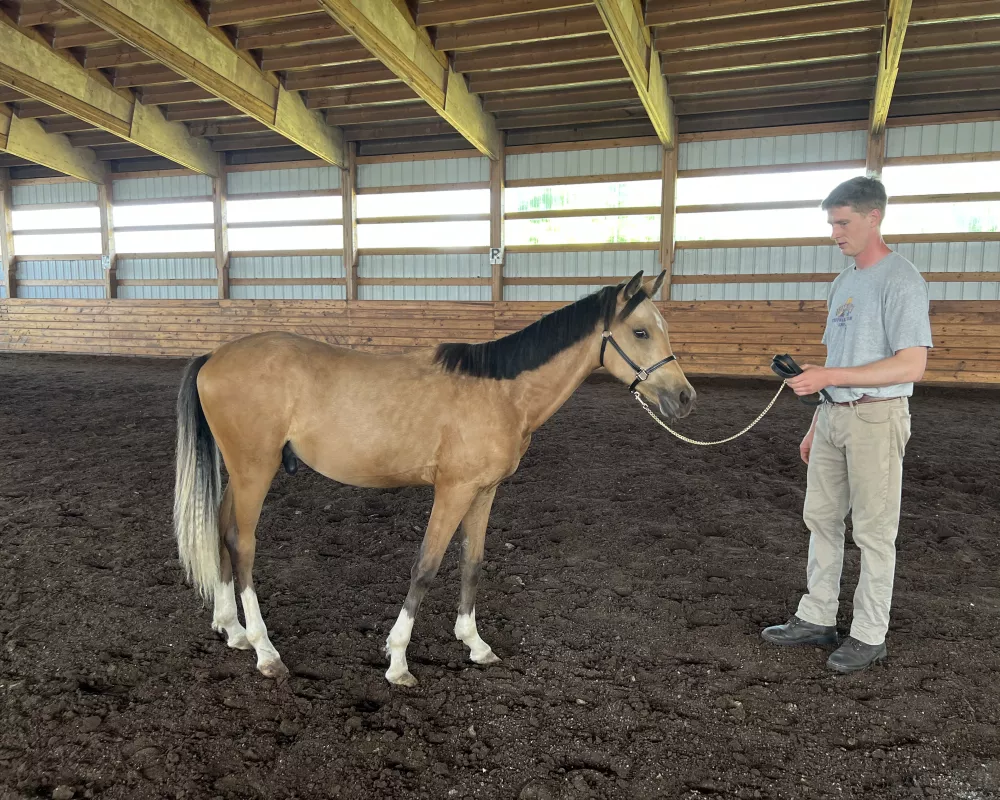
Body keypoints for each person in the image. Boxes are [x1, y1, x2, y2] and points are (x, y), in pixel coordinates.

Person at [761, 176, 933, 673]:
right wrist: (819, 418)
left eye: (843, 222)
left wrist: (830, 377)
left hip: (877, 419)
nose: (834, 233)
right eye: (831, 223)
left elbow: (911, 365)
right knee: (821, 519)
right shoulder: (843, 283)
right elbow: (840, 356)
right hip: (835, 416)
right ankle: (817, 615)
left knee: (874, 531)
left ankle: (869, 631)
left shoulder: (902, 280)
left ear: (874, 217)